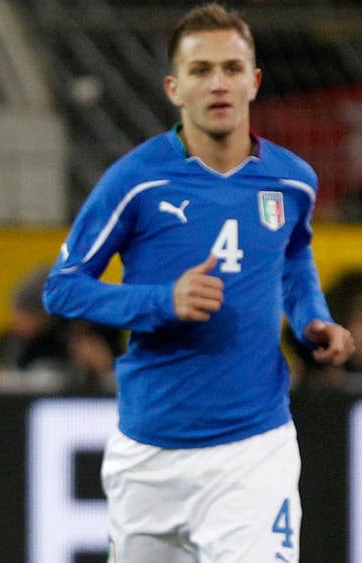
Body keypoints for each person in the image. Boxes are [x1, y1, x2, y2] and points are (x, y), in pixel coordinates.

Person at [42, 4, 355, 562]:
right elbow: (63, 288)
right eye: (201, 70)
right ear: (174, 88)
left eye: (232, 68)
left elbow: (294, 253)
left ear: (254, 81)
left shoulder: (292, 181)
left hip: (254, 450)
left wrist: (312, 317)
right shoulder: (135, 181)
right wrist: (163, 301)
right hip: (150, 452)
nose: (218, 83)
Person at [0, 266, 121, 394]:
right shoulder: (13, 344)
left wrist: (102, 365)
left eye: (24, 315)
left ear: (42, 317)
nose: (15, 322)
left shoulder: (76, 338)